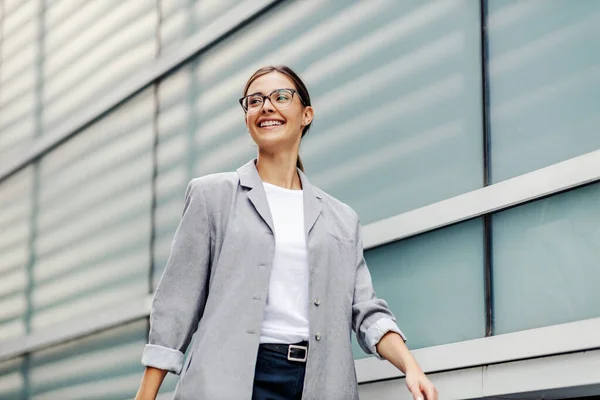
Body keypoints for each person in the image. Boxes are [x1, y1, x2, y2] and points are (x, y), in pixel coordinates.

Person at [135, 65, 438, 400]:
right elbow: (178, 301)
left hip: (317, 383)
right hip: (229, 381)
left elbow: (366, 311)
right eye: (255, 100)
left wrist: (411, 366)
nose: (266, 106)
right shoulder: (213, 196)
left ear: (306, 114)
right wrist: (146, 395)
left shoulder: (341, 219)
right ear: (248, 117)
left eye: (281, 97)